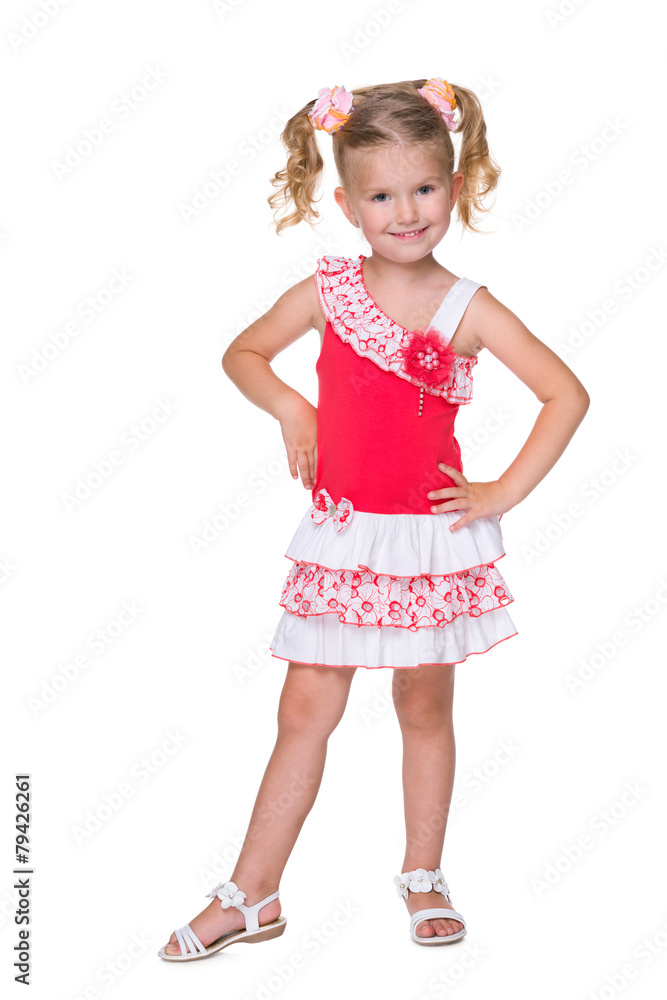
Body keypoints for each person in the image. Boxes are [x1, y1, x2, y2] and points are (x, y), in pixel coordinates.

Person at [159, 77, 590, 960]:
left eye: (423, 188)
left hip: (428, 543)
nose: (406, 212)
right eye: (382, 196)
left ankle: (423, 874)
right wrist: (292, 407)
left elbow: (565, 394)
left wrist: (500, 492)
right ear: (348, 205)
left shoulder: (469, 307)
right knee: (303, 709)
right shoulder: (327, 292)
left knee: (423, 703)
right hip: (346, 540)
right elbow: (243, 352)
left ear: (454, 186)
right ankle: (252, 892)